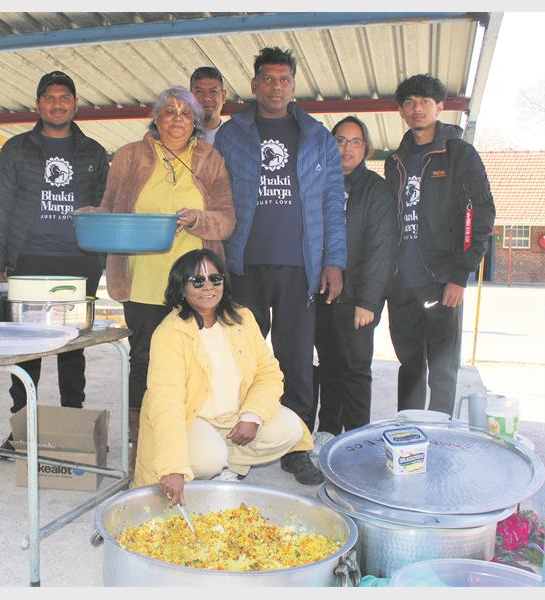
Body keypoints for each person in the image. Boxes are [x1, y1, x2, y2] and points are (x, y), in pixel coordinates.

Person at [80, 85, 235, 472]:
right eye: (169, 111)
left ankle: (193, 434)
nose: (177, 118)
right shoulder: (130, 156)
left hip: (196, 285)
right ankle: (141, 439)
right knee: (145, 359)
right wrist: (94, 216)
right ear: (156, 117)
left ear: (196, 120)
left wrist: (198, 219)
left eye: (186, 112)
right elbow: (113, 209)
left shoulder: (210, 159)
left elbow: (227, 219)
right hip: (144, 281)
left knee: (198, 360)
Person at [214, 47, 347, 485]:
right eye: (268, 79)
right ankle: (237, 440)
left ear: (293, 85)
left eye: (284, 79)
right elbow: (217, 193)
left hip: (300, 266)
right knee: (242, 357)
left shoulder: (316, 136)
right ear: (254, 85)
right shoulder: (233, 134)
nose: (276, 86)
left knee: (294, 357)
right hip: (245, 263)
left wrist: (333, 261)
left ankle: (297, 445)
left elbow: (331, 204)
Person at [0, 71, 109, 455]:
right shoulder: (17, 149)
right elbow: (1, 209)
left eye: (65, 97)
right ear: (38, 104)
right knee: (28, 350)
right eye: (50, 98)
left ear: (75, 103)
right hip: (28, 258)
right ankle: (22, 429)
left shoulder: (93, 152)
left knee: (73, 348)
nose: (58, 104)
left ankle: (73, 424)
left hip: (78, 261)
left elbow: (107, 207)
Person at [133, 249, 313, 503]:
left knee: (290, 429)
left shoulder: (242, 319)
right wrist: (172, 468)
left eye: (215, 279)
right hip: (193, 420)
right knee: (207, 459)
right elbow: (166, 402)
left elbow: (268, 372)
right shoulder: (169, 334)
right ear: (181, 288)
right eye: (197, 281)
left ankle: (228, 465)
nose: (208, 287)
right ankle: (215, 461)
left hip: (235, 416)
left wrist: (252, 415)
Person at [385, 74, 495, 415]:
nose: (417, 109)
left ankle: (441, 431)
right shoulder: (395, 161)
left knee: (443, 369)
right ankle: (409, 428)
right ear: (402, 111)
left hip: (442, 278)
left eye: (425, 102)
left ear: (440, 107)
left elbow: (482, 214)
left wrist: (460, 275)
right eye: (410, 103)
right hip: (403, 282)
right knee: (409, 364)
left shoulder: (458, 153)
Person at [312, 116, 395, 439]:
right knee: (328, 365)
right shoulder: (317, 184)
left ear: (366, 148)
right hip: (322, 293)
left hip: (358, 297)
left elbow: (381, 250)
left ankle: (357, 437)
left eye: (355, 141)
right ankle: (329, 430)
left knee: (355, 369)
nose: (347, 148)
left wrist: (368, 301)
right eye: (340, 141)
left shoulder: (376, 190)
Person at [190, 66, 227, 145]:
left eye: (213, 91)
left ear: (223, 96)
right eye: (199, 91)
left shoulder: (238, 138)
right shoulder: (175, 138)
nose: (206, 97)